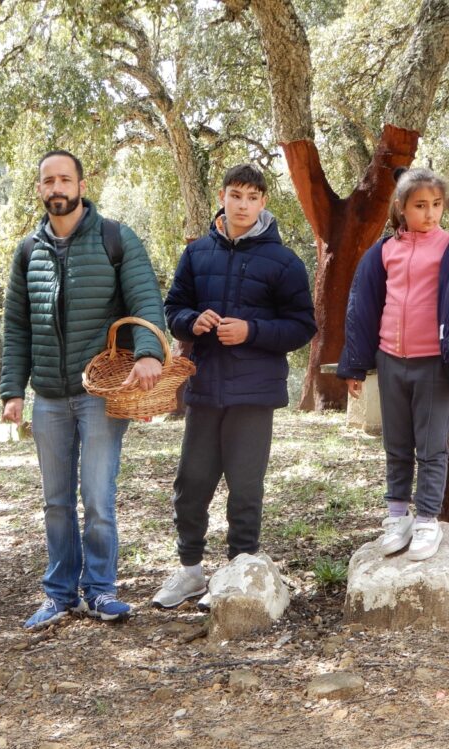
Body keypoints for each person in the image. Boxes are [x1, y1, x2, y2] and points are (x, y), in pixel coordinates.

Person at [1, 150, 165, 627]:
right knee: (56, 502)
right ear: (39, 188)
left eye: (65, 179)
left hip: (101, 396)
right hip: (48, 397)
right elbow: (16, 327)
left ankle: (100, 590)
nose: (57, 188)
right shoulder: (27, 251)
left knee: (96, 497)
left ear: (81, 185)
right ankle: (59, 594)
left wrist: (149, 352)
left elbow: (145, 299)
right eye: (48, 180)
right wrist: (13, 390)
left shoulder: (115, 238)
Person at [152, 163, 316, 609]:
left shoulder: (283, 261)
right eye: (236, 195)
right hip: (204, 390)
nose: (243, 205)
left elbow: (302, 326)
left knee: (245, 489)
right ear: (222, 197)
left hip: (254, 394)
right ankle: (190, 572)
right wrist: (191, 320)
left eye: (252, 197)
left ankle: (238, 576)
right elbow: (173, 308)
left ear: (264, 202)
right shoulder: (196, 254)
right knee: (191, 484)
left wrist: (251, 331)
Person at [337, 167, 449, 560]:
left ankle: (427, 520)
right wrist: (354, 366)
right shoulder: (383, 251)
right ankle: (397, 516)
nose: (430, 213)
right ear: (401, 207)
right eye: (420, 205)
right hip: (390, 362)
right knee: (396, 444)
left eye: (436, 204)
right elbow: (361, 308)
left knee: (432, 447)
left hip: (434, 364)